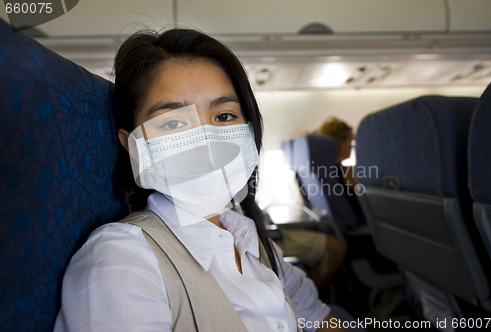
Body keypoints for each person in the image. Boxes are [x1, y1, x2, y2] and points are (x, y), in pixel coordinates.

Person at [53, 28, 352, 331]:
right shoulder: (120, 260)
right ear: (133, 146)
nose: (206, 141)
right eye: (172, 122)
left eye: (224, 116)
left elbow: (315, 316)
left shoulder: (245, 232)